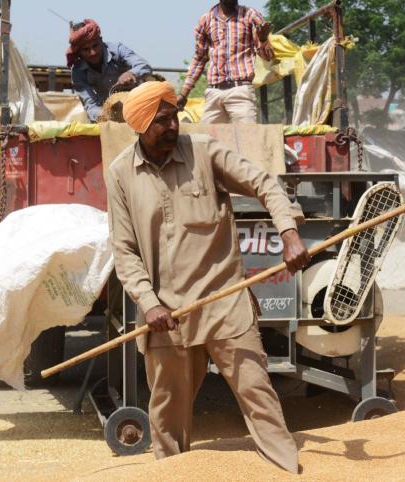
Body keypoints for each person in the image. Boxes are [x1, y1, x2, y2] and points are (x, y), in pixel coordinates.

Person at [105, 81, 308, 473]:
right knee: (168, 413)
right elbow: (124, 251)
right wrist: (149, 303)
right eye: (162, 121)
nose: (172, 126)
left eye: (174, 117)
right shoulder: (120, 175)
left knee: (258, 394)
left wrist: (288, 232)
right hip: (167, 314)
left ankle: (287, 471)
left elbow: (264, 184)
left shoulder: (205, 151)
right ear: (140, 126)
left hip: (225, 301)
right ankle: (171, 473)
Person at [177, 0, 274, 124]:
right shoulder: (206, 20)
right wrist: (184, 94)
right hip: (214, 92)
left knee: (246, 134)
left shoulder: (250, 15)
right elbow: (200, 58)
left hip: (240, 91)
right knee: (206, 135)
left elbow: (268, 57)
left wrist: (263, 40)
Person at [67, 19, 152, 122]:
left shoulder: (118, 50)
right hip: (109, 115)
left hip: (138, 107)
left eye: (95, 46)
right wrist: (105, 115)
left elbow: (144, 65)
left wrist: (131, 73)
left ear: (101, 40)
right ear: (79, 52)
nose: (93, 52)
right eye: (86, 49)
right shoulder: (77, 72)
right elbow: (91, 105)